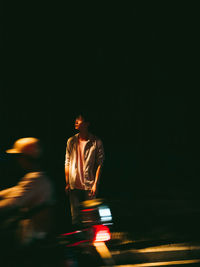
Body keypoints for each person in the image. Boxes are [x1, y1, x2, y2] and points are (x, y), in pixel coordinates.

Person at [0, 137, 55, 246]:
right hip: (34, 233)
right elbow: (15, 191)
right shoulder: (40, 177)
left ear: (25, 158)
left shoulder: (34, 179)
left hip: (31, 236)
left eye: (18, 157)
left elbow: (13, 202)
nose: (17, 161)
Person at [65, 114, 104, 226]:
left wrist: (95, 183)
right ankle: (79, 240)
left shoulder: (96, 142)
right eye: (76, 119)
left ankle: (90, 240)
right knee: (76, 218)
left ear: (86, 124)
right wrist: (67, 182)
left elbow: (99, 164)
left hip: (89, 184)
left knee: (91, 217)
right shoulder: (71, 141)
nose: (76, 121)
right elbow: (67, 162)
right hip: (74, 184)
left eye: (79, 120)